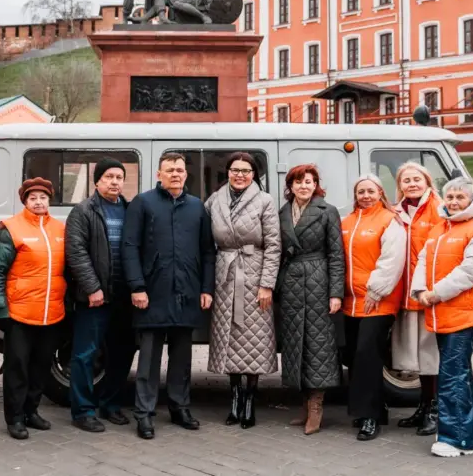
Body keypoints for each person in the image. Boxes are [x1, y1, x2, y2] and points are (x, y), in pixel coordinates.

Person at [121, 151, 216, 440]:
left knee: (182, 357)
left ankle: (180, 407)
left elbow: (207, 251)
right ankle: (145, 413)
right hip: (152, 293)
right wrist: (137, 286)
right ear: (158, 174)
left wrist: (206, 288)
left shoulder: (197, 207)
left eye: (179, 170)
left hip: (186, 292)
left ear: (186, 174)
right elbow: (129, 247)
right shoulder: (143, 203)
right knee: (149, 358)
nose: (175, 174)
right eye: (169, 170)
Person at [411, 177, 473, 458]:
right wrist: (420, 290)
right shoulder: (441, 228)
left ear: (472, 200)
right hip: (444, 313)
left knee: (451, 377)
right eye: (449, 197)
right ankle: (470, 436)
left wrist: (435, 293)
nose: (453, 202)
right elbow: (424, 260)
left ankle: (455, 439)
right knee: (460, 376)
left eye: (459, 197)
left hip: (464, 313)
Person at [0, 178, 67, 440]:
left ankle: (32, 411)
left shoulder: (59, 229)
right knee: (17, 367)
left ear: (49, 200)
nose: (39, 202)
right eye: (33, 198)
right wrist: (0, 309)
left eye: (43, 197)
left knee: (41, 366)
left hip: (51, 313)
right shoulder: (12, 228)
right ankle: (14, 417)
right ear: (25, 201)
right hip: (19, 314)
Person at [205, 152, 280, 428]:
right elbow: (204, 235)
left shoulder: (264, 200)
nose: (240, 175)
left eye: (246, 171)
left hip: (254, 275)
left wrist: (267, 284)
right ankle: (234, 398)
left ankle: (249, 401)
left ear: (254, 174)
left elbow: (273, 245)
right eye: (235, 170)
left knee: (255, 339)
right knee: (228, 338)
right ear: (228, 172)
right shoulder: (215, 199)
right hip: (225, 275)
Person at [65, 158, 136, 432]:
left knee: (122, 353)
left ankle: (110, 404)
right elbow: (76, 253)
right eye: (109, 176)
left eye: (119, 177)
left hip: (123, 296)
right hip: (94, 298)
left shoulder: (130, 210)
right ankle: (82, 410)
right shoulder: (83, 211)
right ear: (97, 181)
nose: (115, 181)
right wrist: (92, 287)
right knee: (85, 355)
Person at [276, 164, 344, 436]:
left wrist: (336, 292)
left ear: (316, 185)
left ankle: (316, 407)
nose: (304, 186)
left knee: (318, 345)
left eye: (309, 181)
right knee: (296, 344)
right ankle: (304, 404)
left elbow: (337, 254)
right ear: (290, 185)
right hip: (292, 283)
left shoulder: (328, 212)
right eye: (299, 182)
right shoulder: (282, 213)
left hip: (318, 280)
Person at [340, 174, 406, 441]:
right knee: (354, 358)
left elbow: (392, 260)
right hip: (350, 303)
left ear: (380, 193)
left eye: (370, 191)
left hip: (377, 301)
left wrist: (376, 290)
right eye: (360, 192)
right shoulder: (347, 221)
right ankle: (375, 407)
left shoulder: (389, 221)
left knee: (368, 357)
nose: (365, 196)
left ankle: (370, 418)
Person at [391, 162, 445, 436]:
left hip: (429, 294)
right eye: (406, 180)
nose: (411, 184)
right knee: (419, 356)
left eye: (416, 179)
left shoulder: (439, 208)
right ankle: (424, 406)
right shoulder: (398, 211)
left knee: (431, 354)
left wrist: (435, 288)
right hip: (407, 292)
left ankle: (436, 410)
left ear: (427, 182)